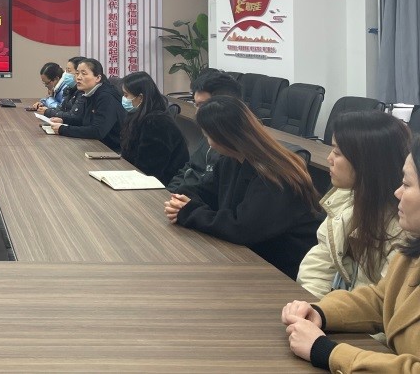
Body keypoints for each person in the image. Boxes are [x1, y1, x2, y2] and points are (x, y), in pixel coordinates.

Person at [282, 137, 420, 371]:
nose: (397, 193)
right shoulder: (412, 252)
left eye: (406, 184)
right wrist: (321, 312)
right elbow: (381, 300)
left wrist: (325, 351)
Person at [164, 95, 322, 278]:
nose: (207, 142)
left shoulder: (274, 175)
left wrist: (189, 211)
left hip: (283, 268)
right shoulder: (230, 161)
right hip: (252, 254)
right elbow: (203, 192)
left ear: (224, 137)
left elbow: (242, 229)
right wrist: (182, 200)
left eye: (207, 135)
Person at [297, 111, 409, 298]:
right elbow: (319, 265)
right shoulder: (344, 200)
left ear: (367, 162)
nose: (329, 159)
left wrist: (326, 312)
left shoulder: (401, 228)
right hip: (337, 309)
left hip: (363, 315)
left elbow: (380, 304)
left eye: (337, 152)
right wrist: (312, 306)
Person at [166, 70, 242, 192]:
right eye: (196, 105)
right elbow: (189, 168)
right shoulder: (209, 132)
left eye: (203, 105)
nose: (197, 113)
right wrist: (169, 193)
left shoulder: (234, 152)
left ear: (224, 105)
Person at [118, 71, 188, 185]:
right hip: (140, 177)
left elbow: (149, 169)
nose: (124, 99)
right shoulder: (136, 115)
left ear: (141, 97)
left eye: (126, 95)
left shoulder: (157, 123)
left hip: (165, 184)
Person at [48, 58, 123, 150]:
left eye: (84, 74)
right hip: (95, 144)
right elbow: (83, 120)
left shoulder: (106, 97)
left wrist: (63, 129)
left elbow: (97, 131)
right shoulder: (89, 93)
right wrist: (63, 120)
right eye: (77, 73)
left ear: (98, 78)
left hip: (111, 150)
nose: (78, 77)